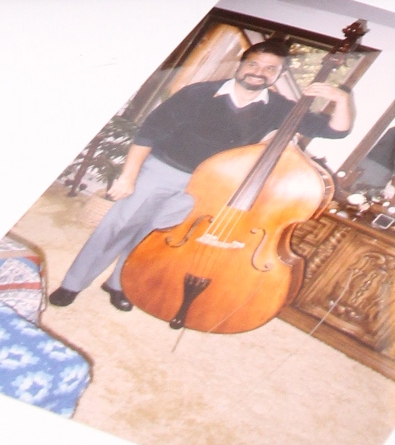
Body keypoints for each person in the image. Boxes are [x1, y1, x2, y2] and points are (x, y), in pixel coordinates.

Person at [49, 42, 356, 308]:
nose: (259, 72)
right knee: (116, 226)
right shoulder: (198, 93)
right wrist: (128, 177)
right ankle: (73, 284)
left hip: (206, 188)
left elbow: (335, 131)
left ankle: (118, 284)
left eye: (269, 68)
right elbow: (148, 134)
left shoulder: (279, 107)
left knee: (155, 237)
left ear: (277, 75)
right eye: (254, 64)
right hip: (161, 170)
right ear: (242, 65)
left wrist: (341, 98)